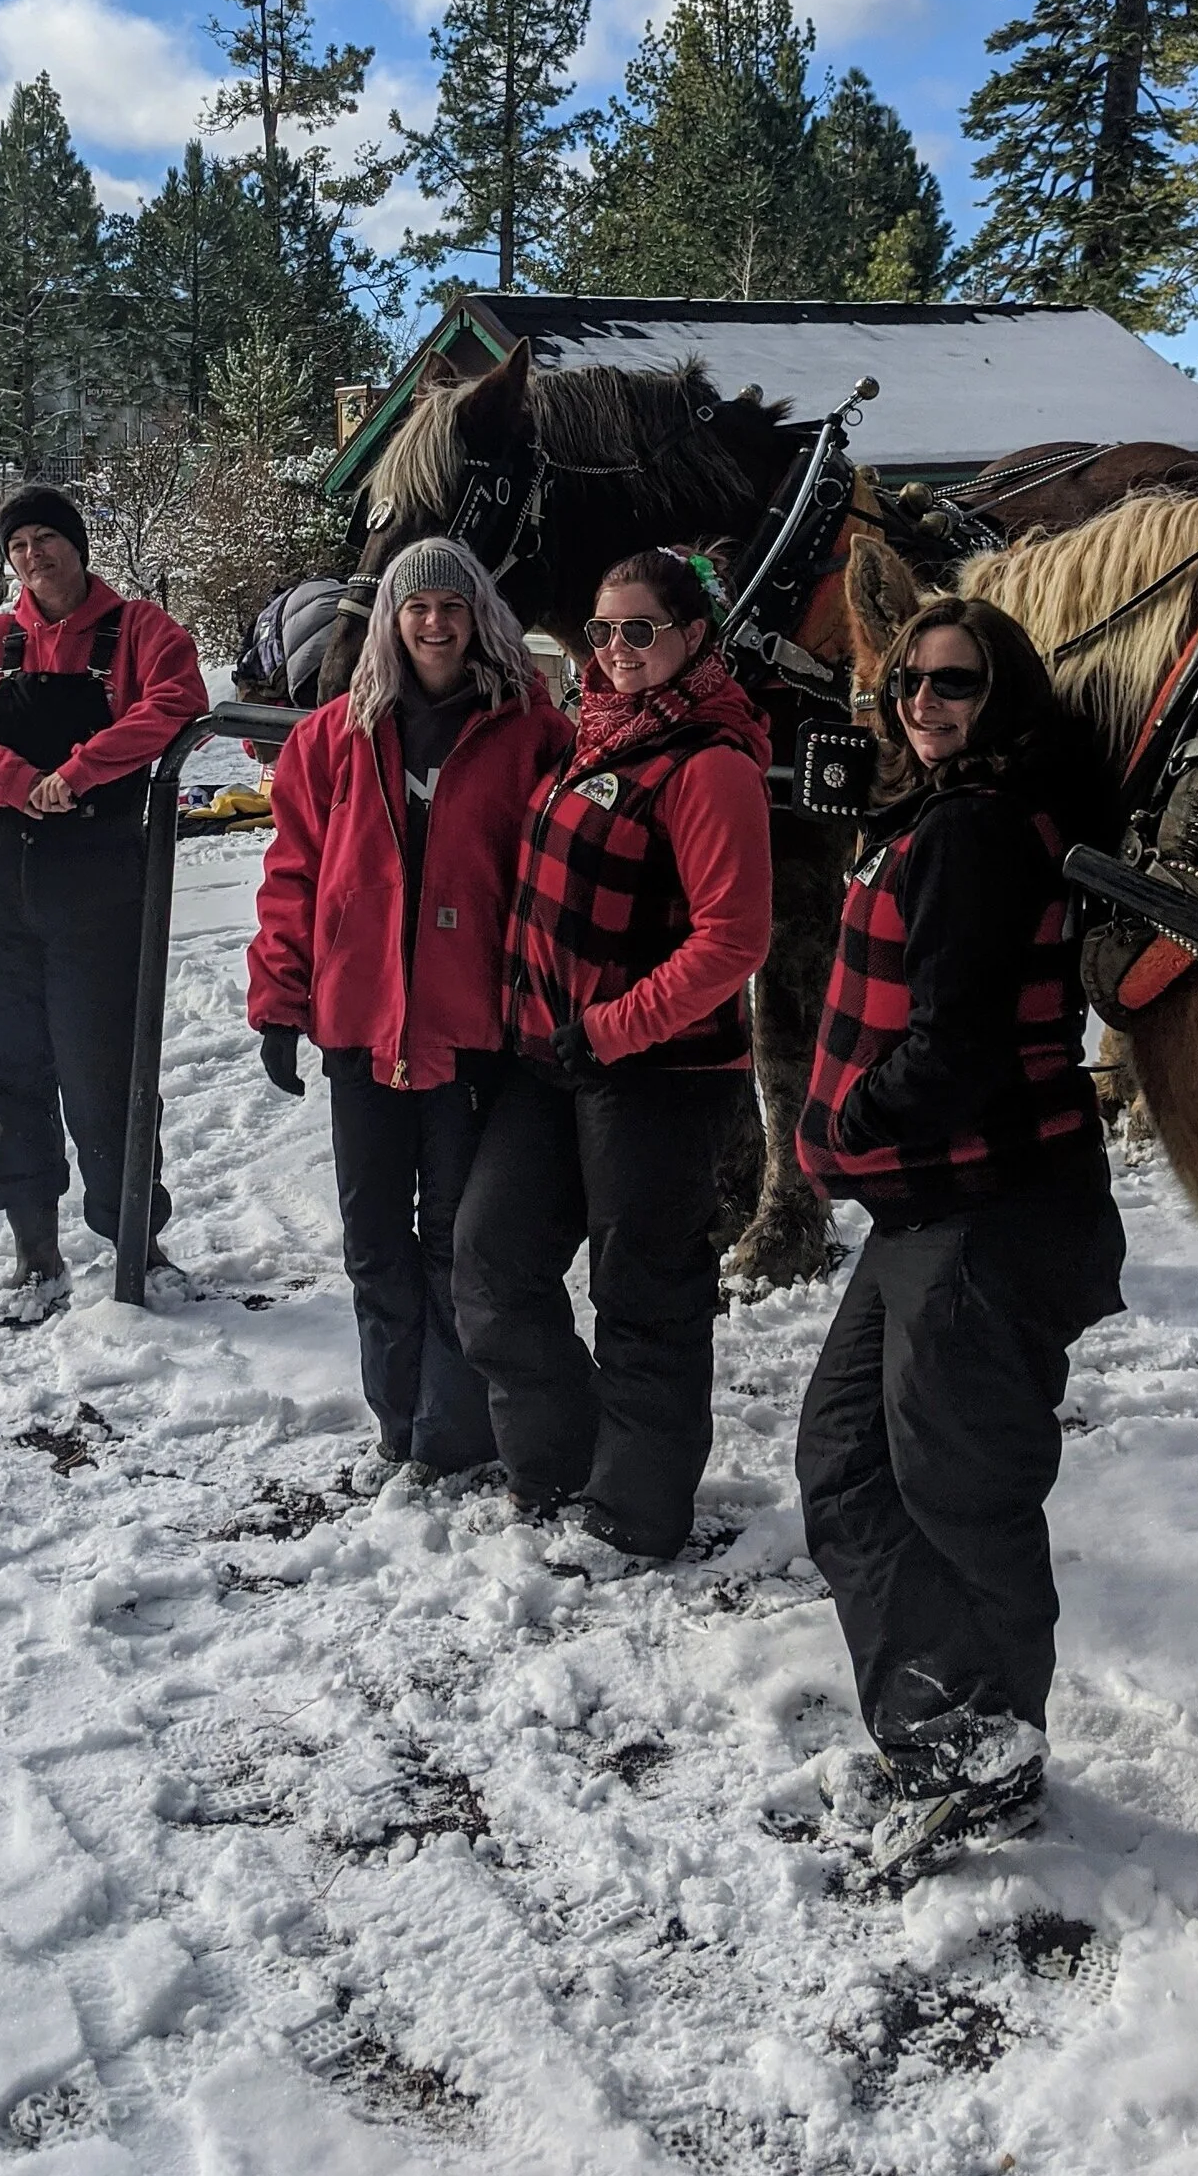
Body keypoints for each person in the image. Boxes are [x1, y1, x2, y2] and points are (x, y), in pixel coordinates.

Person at [792, 594, 1126, 1881]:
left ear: (1005, 694)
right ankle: (944, 1731)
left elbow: (957, 1045)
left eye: (956, 683)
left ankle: (989, 1740)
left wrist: (840, 1130)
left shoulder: (977, 834)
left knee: (957, 1485)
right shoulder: (932, 815)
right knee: (847, 1460)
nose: (925, 704)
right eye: (910, 685)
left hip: (989, 1212)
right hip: (925, 1209)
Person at [454, 548, 773, 1561]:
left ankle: (635, 1515)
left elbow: (731, 940)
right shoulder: (592, 739)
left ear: (692, 637)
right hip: (551, 1059)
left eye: (641, 630)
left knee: (643, 1296)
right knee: (491, 1256)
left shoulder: (708, 764)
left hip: (657, 1075)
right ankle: (555, 1463)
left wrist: (610, 1028)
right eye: (602, 630)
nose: (618, 650)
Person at [247, 541, 570, 1484]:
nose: (435, 624)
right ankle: (399, 1422)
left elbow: (551, 886)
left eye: (453, 607)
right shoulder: (330, 738)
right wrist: (278, 997)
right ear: (390, 618)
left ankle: (454, 1427)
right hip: (361, 1026)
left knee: (453, 1245)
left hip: (472, 1032)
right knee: (376, 1240)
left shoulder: (528, 736)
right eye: (416, 606)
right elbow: (293, 876)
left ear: (481, 620)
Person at [0, 484, 210, 1322]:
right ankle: (33, 1252)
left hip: (97, 877)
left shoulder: (143, 632)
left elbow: (174, 706)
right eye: (18, 546)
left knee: (104, 1065)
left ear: (78, 544)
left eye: (47, 538)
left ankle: (137, 1247)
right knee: (3, 1065)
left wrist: (75, 773)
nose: (34, 556)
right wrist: (14, 783)